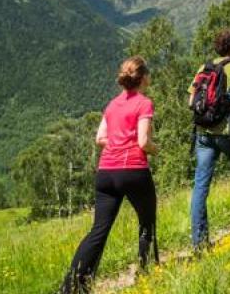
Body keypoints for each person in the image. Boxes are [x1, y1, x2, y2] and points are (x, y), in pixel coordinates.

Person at [60, 56, 158, 294]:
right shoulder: (144, 103)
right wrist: (156, 148)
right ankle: (146, 273)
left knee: (98, 231)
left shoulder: (112, 105)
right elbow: (144, 141)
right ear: (143, 77)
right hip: (133, 170)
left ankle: (72, 286)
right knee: (147, 222)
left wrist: (117, 141)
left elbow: (99, 139)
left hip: (106, 172)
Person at [188, 29, 230, 249]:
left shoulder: (204, 68)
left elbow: (191, 101)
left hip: (203, 133)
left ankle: (199, 241)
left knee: (201, 186)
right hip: (228, 133)